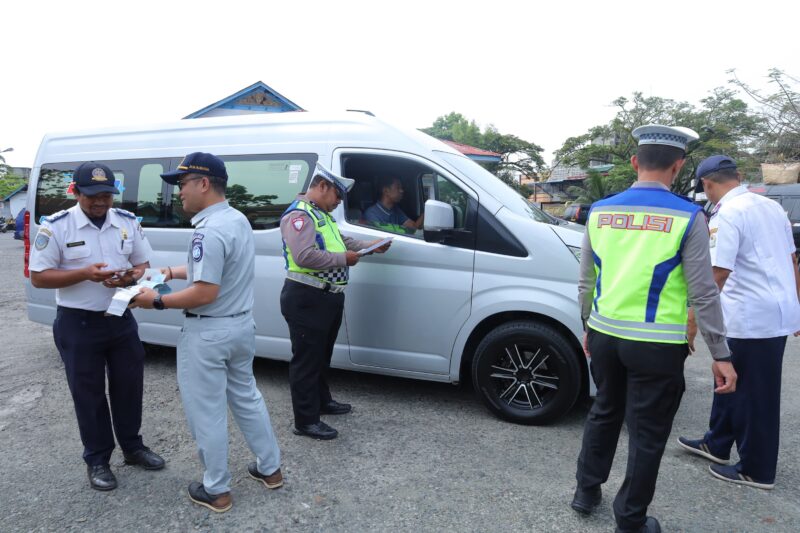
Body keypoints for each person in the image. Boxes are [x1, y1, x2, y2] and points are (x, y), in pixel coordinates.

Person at [570, 125, 737, 533]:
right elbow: (703, 292)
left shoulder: (600, 212)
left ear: (634, 163)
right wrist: (721, 354)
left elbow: (586, 281)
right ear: (678, 166)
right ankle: (630, 519)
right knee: (647, 433)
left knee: (604, 411)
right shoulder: (688, 216)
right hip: (657, 343)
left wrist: (588, 325)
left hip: (605, 334)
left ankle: (586, 492)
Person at [131, 152, 282, 513]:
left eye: (182, 184)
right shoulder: (236, 219)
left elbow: (204, 292)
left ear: (203, 183)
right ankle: (270, 468)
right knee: (247, 398)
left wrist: (155, 301)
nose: (178, 192)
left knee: (207, 412)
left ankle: (217, 489)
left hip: (209, 332)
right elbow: (216, 268)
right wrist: (171, 271)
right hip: (240, 326)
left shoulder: (208, 230)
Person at [29, 162, 165, 491]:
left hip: (120, 318)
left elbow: (142, 264)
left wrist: (129, 278)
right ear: (76, 193)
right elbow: (39, 277)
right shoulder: (57, 226)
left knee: (129, 388)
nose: (101, 201)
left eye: (107, 195)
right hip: (78, 323)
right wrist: (84, 274)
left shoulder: (127, 222)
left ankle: (132, 447)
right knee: (88, 394)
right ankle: (98, 459)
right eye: (92, 195)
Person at [678, 155, 800, 489]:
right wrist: (796, 307)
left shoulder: (727, 213)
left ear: (707, 185)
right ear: (738, 175)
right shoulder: (771, 207)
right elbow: (792, 259)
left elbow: (717, 273)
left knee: (754, 394)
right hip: (769, 310)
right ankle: (716, 443)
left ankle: (757, 470)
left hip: (751, 317)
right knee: (728, 378)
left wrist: (692, 320)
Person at [280, 163, 390, 440]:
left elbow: (342, 241)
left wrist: (370, 247)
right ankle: (305, 421)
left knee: (321, 356)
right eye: (337, 195)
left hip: (327, 296)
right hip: (307, 297)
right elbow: (304, 256)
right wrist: (344, 259)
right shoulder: (300, 215)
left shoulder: (321, 215)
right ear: (322, 186)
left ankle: (322, 401)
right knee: (306, 361)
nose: (339, 201)